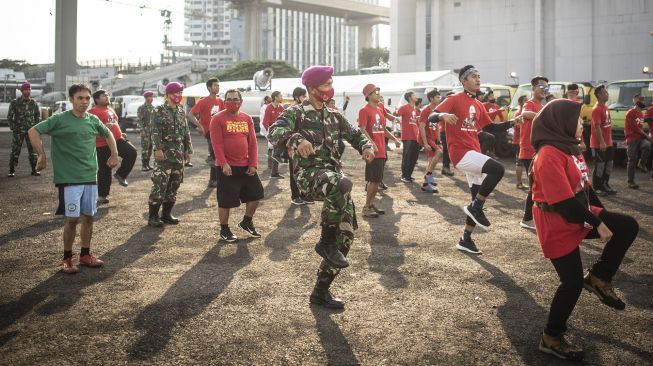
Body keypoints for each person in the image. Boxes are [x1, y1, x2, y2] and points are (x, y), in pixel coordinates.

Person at [530, 99, 638, 361]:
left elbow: (585, 189)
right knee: (571, 283)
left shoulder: (570, 148)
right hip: (556, 220)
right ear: (562, 122)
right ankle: (551, 337)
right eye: (578, 119)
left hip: (576, 210)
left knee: (626, 226)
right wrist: (598, 224)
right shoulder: (548, 155)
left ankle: (599, 278)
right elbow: (563, 203)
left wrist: (605, 218)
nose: (582, 123)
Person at [268, 65, 374, 309]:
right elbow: (275, 131)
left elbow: (355, 133)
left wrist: (365, 146)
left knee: (346, 238)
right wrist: (296, 138)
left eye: (331, 83)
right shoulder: (295, 113)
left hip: (333, 182)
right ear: (312, 88)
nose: (330, 87)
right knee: (342, 183)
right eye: (326, 84)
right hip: (309, 176)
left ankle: (320, 290)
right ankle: (324, 241)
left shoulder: (333, 114)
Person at [429, 65, 521, 254]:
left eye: (479, 76)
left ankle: (465, 239)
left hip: (473, 153)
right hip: (461, 154)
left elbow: (491, 128)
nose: (478, 79)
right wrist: (442, 115)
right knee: (498, 170)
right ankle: (476, 206)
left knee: (476, 197)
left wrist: (514, 121)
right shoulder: (454, 98)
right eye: (473, 76)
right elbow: (431, 116)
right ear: (463, 80)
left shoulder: (478, 104)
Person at [28, 83, 119, 273]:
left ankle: (85, 255)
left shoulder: (92, 119)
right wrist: (41, 155)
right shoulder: (60, 119)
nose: (84, 102)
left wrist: (113, 153)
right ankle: (67, 259)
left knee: (89, 217)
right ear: (71, 99)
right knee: (71, 219)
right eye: (80, 98)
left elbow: (108, 133)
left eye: (87, 98)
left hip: (89, 177)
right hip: (69, 179)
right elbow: (33, 131)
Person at [210, 89, 263, 242]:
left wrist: (253, 163)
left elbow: (253, 143)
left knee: (256, 193)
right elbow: (217, 144)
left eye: (235, 99)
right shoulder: (218, 119)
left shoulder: (246, 118)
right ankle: (224, 229)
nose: (232, 102)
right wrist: (223, 164)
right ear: (224, 101)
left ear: (241, 101)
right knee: (226, 200)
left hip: (245, 165)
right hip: (227, 167)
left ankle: (246, 221)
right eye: (229, 99)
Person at [147, 82, 193, 227]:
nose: (178, 96)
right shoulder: (158, 110)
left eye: (180, 93)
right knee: (160, 183)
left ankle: (166, 215)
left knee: (175, 183)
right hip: (164, 154)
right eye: (175, 93)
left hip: (178, 154)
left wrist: (188, 149)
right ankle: (153, 216)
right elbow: (155, 131)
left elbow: (185, 131)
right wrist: (157, 149)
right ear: (167, 94)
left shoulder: (180, 110)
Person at [358, 84, 401, 217]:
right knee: (372, 180)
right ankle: (366, 208)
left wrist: (395, 139)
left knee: (377, 180)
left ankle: (370, 204)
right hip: (373, 152)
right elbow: (362, 129)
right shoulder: (364, 110)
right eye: (375, 92)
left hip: (382, 150)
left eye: (378, 92)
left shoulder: (379, 110)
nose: (378, 94)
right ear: (368, 95)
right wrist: (371, 145)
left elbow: (383, 129)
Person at [89, 89, 137, 205]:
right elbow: (89, 129)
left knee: (131, 152)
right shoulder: (93, 112)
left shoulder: (110, 109)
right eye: (103, 96)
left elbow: (115, 123)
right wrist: (103, 127)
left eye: (107, 95)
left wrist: (121, 133)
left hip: (117, 139)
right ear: (97, 99)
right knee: (105, 169)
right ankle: (102, 195)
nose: (107, 97)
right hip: (102, 143)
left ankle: (121, 174)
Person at [517, 76, 549, 230]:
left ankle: (536, 217)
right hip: (528, 151)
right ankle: (527, 219)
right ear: (533, 89)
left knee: (539, 185)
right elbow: (525, 114)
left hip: (538, 151)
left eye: (546, 88)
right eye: (541, 87)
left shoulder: (542, 105)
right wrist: (542, 118)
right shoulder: (529, 103)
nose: (544, 90)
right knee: (534, 187)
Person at [188, 78, 224, 188]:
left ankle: (215, 178)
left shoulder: (220, 101)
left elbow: (224, 115)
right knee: (215, 155)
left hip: (219, 131)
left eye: (218, 85)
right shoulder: (203, 101)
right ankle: (213, 180)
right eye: (215, 85)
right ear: (209, 87)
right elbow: (190, 115)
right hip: (209, 131)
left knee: (218, 155)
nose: (217, 87)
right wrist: (199, 126)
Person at [7, 82, 41, 177]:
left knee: (33, 151)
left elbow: (37, 116)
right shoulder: (15, 103)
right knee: (15, 151)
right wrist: (13, 127)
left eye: (29, 89)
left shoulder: (33, 103)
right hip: (18, 131)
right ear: (22, 91)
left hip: (31, 131)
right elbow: (9, 117)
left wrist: (36, 128)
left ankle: (34, 170)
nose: (28, 91)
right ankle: (11, 170)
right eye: (26, 89)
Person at [289, 87, 314, 205]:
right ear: (297, 97)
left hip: (306, 146)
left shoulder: (306, 109)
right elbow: (287, 131)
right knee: (294, 172)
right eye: (304, 96)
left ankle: (305, 195)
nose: (306, 98)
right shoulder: (291, 110)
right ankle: (295, 196)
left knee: (306, 171)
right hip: (294, 147)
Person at [589, 85, 615, 195]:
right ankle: (597, 187)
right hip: (599, 144)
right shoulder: (597, 109)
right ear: (599, 95)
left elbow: (607, 126)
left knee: (609, 164)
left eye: (607, 92)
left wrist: (609, 140)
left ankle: (605, 184)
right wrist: (602, 142)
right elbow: (597, 127)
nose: (607, 94)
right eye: (605, 92)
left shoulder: (605, 107)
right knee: (600, 166)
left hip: (608, 143)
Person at [624, 94, 652, 189]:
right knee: (632, 160)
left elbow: (640, 128)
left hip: (640, 138)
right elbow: (635, 128)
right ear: (637, 101)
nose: (644, 102)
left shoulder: (641, 113)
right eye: (642, 100)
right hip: (632, 138)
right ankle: (630, 181)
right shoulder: (630, 112)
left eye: (644, 100)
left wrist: (645, 136)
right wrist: (647, 136)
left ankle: (642, 163)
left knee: (647, 145)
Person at [417, 88, 443, 193]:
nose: (439, 99)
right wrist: (426, 143)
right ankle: (428, 175)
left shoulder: (437, 110)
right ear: (431, 99)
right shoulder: (425, 111)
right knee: (439, 152)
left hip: (432, 138)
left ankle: (426, 185)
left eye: (439, 97)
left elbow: (437, 126)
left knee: (431, 159)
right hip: (426, 138)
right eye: (437, 97)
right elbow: (421, 127)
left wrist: (438, 140)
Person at [397, 91, 421, 183]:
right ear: (410, 98)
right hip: (407, 136)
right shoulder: (404, 107)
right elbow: (397, 115)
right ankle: (404, 175)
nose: (416, 97)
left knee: (414, 158)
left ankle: (409, 175)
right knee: (407, 157)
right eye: (414, 95)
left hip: (416, 136)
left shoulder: (415, 109)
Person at [263, 91, 286, 179]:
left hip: (280, 131)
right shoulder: (269, 107)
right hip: (273, 131)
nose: (282, 97)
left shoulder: (281, 107)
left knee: (277, 151)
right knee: (277, 150)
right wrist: (269, 135)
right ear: (275, 97)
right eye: (280, 96)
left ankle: (274, 173)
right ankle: (274, 172)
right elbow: (265, 122)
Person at [137, 90, 156, 172]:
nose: (151, 98)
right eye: (150, 97)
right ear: (146, 98)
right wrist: (142, 130)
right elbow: (139, 120)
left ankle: (147, 164)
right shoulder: (142, 108)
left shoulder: (153, 108)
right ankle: (144, 165)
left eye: (152, 97)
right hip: (145, 131)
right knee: (145, 148)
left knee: (150, 148)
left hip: (152, 131)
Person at [513, 95, 528, 189]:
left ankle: (520, 183)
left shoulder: (523, 113)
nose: (527, 101)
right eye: (525, 100)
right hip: (519, 141)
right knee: (519, 163)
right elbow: (518, 126)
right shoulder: (519, 113)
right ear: (521, 103)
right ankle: (519, 183)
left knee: (522, 163)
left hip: (522, 141)